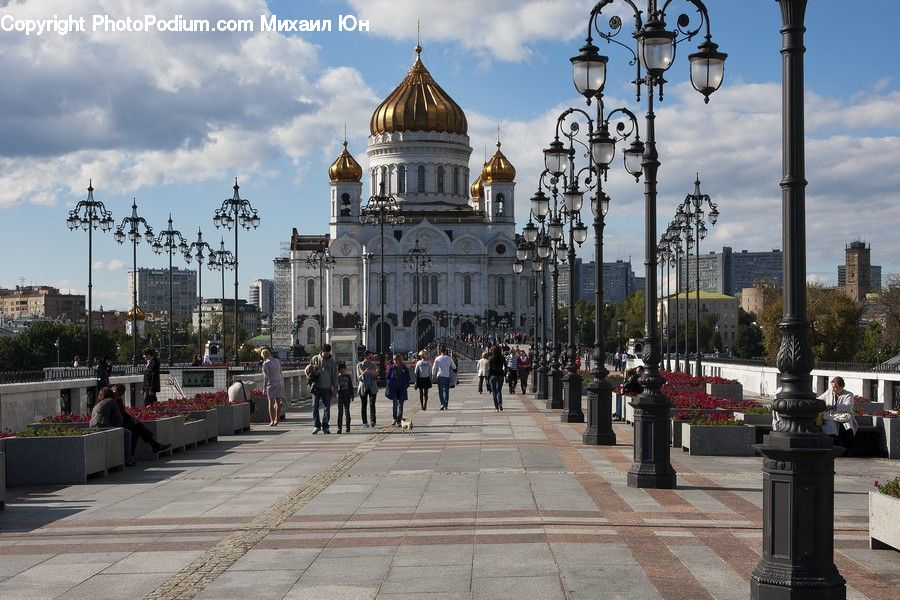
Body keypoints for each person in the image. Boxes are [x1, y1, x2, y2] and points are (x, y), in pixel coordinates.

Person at [111, 383, 170, 461]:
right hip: (114, 423)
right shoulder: (111, 400)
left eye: (120, 395)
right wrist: (131, 418)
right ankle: (153, 445)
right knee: (136, 428)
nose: (118, 396)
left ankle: (135, 454)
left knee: (136, 430)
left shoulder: (117, 400)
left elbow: (123, 413)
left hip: (120, 421)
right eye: (117, 394)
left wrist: (132, 418)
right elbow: (119, 414)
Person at [91, 387, 135, 466]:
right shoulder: (111, 401)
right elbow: (119, 418)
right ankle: (128, 459)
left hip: (92, 427)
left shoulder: (98, 404)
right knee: (127, 433)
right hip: (104, 427)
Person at [818, 376, 858, 451]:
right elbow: (819, 399)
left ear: (842, 387)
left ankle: (846, 450)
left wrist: (834, 406)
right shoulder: (829, 392)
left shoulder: (848, 394)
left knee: (848, 429)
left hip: (844, 417)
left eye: (836, 387)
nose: (833, 389)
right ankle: (833, 447)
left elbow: (848, 407)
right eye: (832, 387)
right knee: (830, 427)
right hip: (831, 416)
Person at [306, 343, 338, 434]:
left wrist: (335, 388)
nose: (326, 355)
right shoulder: (315, 359)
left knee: (326, 408)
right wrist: (311, 376)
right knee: (314, 406)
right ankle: (316, 425)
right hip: (316, 387)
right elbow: (309, 370)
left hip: (327, 387)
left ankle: (325, 426)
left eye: (328, 353)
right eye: (325, 353)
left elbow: (334, 376)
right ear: (322, 351)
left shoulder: (332, 361)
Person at [261, 348, 284, 427]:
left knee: (271, 403)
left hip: (271, 384)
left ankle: (272, 420)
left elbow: (266, 377)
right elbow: (280, 372)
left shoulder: (265, 364)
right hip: (279, 382)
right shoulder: (277, 361)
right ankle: (277, 419)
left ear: (263, 356)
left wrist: (264, 388)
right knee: (278, 402)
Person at [356, 351, 379, 428]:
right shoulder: (359, 365)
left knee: (372, 404)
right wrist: (364, 373)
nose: (371, 359)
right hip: (363, 387)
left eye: (371, 357)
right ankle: (364, 422)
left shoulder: (373, 365)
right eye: (369, 357)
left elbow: (376, 377)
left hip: (372, 387)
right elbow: (358, 378)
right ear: (365, 357)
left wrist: (375, 374)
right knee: (364, 405)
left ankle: (373, 421)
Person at [431, 345, 457, 410]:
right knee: (446, 391)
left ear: (440, 351)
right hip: (446, 376)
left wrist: (433, 375)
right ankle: (446, 404)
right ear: (446, 351)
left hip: (439, 376)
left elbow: (434, 368)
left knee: (440, 391)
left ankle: (442, 404)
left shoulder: (437, 358)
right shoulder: (449, 358)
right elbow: (454, 368)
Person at [336, 363, 353, 433]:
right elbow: (335, 386)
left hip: (347, 395)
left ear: (345, 369)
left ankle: (348, 427)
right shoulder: (337, 377)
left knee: (347, 411)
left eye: (344, 369)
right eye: (341, 370)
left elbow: (350, 386)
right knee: (340, 412)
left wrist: (352, 395)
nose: (342, 371)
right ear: (339, 370)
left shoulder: (348, 377)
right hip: (340, 395)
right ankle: (339, 428)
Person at [487, 345, 506, 412]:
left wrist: (488, 378)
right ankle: (500, 403)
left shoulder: (491, 358)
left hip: (493, 376)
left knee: (494, 392)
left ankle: (496, 407)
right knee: (499, 391)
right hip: (500, 375)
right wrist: (504, 374)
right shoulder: (502, 357)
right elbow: (505, 367)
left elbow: (490, 369)